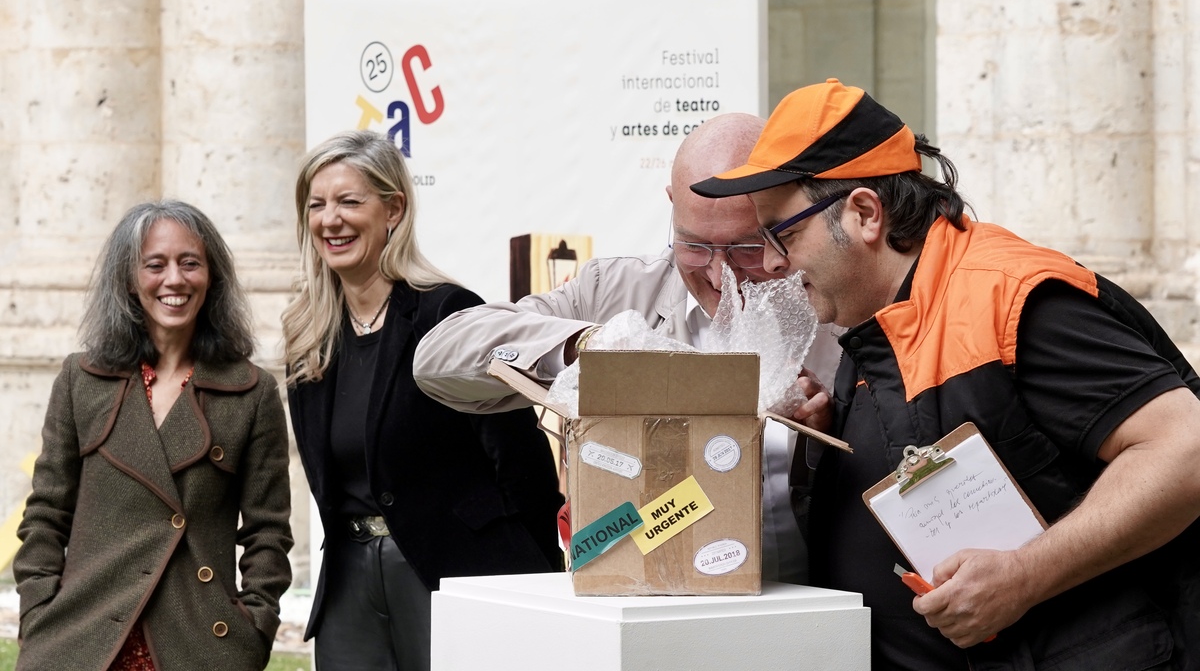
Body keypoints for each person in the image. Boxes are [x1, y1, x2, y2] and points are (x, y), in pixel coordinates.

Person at [691, 78, 1200, 670]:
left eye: (784, 232)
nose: (774, 262)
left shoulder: (1009, 297)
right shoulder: (878, 320)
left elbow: (1184, 449)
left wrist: (1024, 574)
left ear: (863, 213)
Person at [413, 112, 844, 584]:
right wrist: (590, 348)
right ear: (671, 207)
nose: (721, 276)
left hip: (819, 609)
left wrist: (828, 435)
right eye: (695, 245)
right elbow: (438, 356)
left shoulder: (844, 300)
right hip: (655, 618)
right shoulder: (616, 292)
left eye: (747, 247)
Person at [281, 130, 563, 671]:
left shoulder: (448, 313)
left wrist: (535, 585)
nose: (329, 219)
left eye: (348, 201)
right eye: (316, 205)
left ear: (393, 209)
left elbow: (519, 459)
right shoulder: (307, 332)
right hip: (350, 584)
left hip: (456, 572)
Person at [13, 200, 293, 671]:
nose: (174, 280)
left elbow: (268, 532)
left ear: (212, 277)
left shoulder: (253, 393)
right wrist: (38, 611)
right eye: (155, 265)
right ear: (129, 279)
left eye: (190, 263)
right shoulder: (80, 381)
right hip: (82, 640)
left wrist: (253, 627)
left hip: (199, 644)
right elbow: (45, 513)